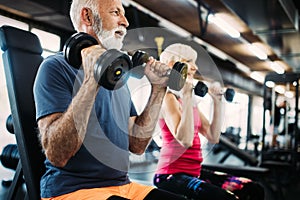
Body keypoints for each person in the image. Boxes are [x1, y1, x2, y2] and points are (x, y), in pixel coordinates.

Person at [33, 0, 187, 199]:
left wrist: (158, 88)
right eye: (116, 12)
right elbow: (57, 154)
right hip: (72, 190)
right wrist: (91, 81)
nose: (125, 22)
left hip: (123, 186)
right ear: (87, 17)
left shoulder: (117, 77)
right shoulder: (54, 67)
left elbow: (137, 145)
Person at [153, 43, 265, 200]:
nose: (195, 67)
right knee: (226, 198)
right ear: (174, 65)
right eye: (189, 61)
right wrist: (186, 96)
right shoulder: (168, 98)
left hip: (195, 171)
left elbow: (213, 136)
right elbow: (185, 140)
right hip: (171, 175)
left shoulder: (189, 102)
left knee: (252, 189)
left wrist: (217, 102)